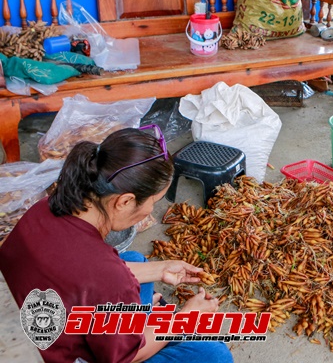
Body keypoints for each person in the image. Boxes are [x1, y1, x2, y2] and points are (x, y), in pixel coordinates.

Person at [0, 125, 233, 363]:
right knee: (212, 354)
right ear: (124, 201)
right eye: (153, 202)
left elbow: (82, 276)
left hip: (23, 315)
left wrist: (161, 269)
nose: (151, 211)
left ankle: (138, 322)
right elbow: (123, 358)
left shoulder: (47, 206)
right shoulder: (109, 280)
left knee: (133, 261)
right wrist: (185, 318)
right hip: (51, 354)